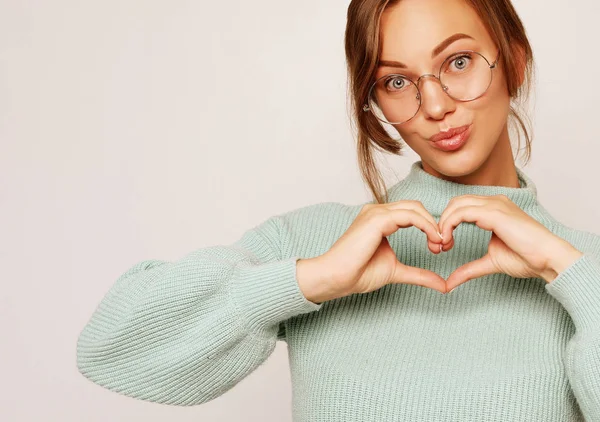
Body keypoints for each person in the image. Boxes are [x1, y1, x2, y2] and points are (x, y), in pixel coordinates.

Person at [77, 0, 600, 420]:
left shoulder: (587, 266)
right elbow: (108, 349)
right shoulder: (313, 242)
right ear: (375, 102)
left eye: (458, 63)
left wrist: (569, 271)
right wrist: (311, 280)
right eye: (397, 81)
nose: (436, 106)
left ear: (514, 58)